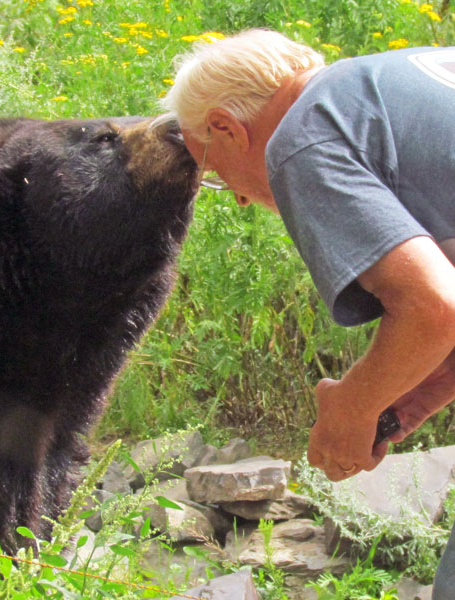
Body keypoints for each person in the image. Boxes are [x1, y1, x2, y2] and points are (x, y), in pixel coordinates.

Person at [158, 28, 455, 596]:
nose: (239, 197)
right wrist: (422, 392)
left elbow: (433, 306)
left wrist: (350, 410)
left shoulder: (303, 133)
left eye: (213, 173)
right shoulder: (391, 82)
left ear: (225, 126)